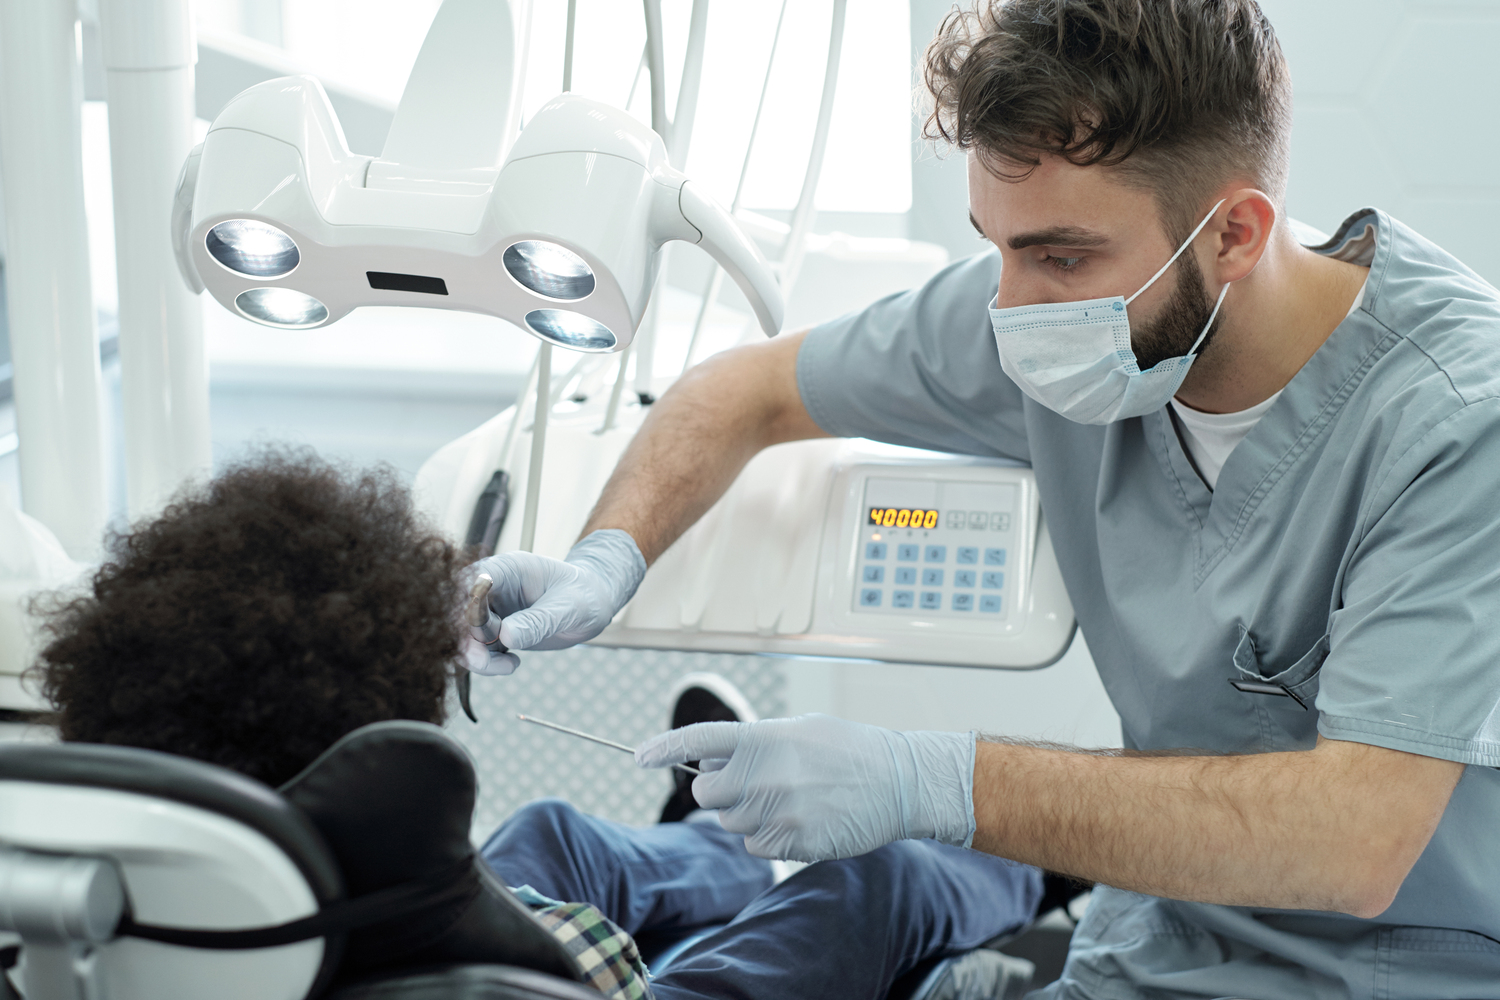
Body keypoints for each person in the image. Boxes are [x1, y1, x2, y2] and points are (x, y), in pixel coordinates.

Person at [471, 1, 1500, 997]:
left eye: (1060, 254)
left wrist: (933, 782)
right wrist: (605, 556)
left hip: (1391, 965)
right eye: (993, 244)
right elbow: (745, 390)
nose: (1009, 308)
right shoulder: (1046, 316)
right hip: (1160, 929)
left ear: (1234, 233)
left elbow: (1355, 838)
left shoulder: (1454, 418)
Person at [30, 450, 1041, 1000]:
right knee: (871, 880)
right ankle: (1049, 867)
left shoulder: (127, 853)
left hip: (350, 927)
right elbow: (598, 958)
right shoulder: (521, 957)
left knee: (555, 831)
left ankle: (713, 836)